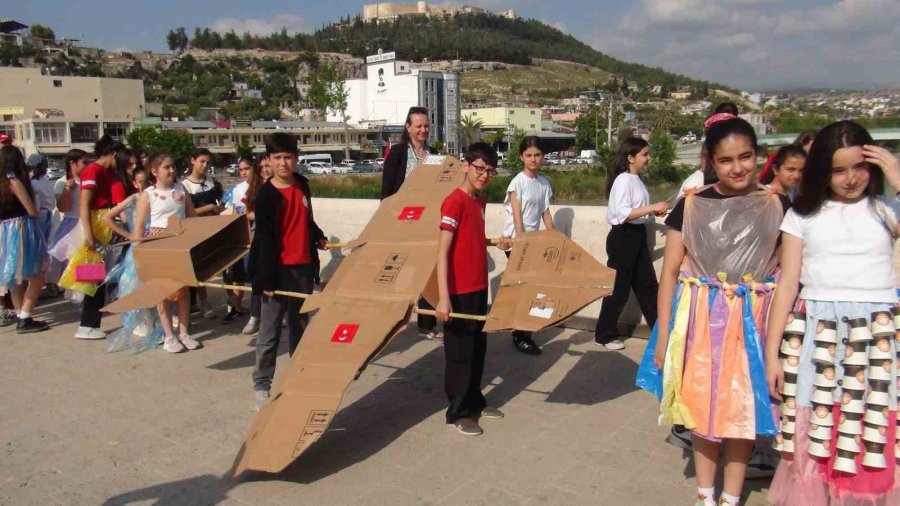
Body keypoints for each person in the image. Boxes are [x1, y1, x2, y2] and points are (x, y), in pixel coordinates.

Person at [636, 115, 791, 506]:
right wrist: (667, 339)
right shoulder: (691, 206)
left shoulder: (778, 206)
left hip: (754, 324)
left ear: (758, 156)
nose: (737, 167)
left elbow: (789, 274)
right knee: (701, 410)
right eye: (726, 160)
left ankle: (731, 497)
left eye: (746, 157)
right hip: (700, 322)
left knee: (742, 412)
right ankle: (705, 495)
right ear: (711, 160)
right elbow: (669, 275)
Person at [767, 121, 900, 505]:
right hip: (817, 339)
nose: (850, 178)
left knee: (869, 434)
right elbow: (788, 285)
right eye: (838, 170)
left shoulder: (886, 209)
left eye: (859, 167)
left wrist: (896, 176)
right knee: (817, 436)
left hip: (875, 342)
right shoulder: (801, 216)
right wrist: (773, 353)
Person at [435, 142, 511, 436]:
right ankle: (458, 412)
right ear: (465, 166)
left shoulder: (478, 201)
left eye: (490, 171)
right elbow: (442, 251)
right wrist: (443, 297)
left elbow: (472, 240)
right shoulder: (454, 201)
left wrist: (495, 242)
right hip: (458, 291)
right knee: (460, 352)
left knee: (478, 349)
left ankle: (475, 401)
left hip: (478, 286)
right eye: (480, 169)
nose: (484, 175)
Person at [249, 133, 326, 410]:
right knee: (269, 332)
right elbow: (265, 240)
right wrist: (267, 278)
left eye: (288, 157)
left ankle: (298, 377)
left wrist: (317, 235)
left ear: (296, 158)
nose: (283, 163)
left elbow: (306, 220)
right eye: (277, 157)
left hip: (303, 269)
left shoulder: (302, 185)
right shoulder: (266, 196)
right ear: (268, 160)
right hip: (276, 272)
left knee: (300, 327)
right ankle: (262, 384)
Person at [595, 138, 667, 350]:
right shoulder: (623, 180)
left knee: (647, 286)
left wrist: (653, 210)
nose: (648, 159)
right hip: (623, 237)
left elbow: (638, 210)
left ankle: (660, 330)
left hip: (637, 235)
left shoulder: (637, 180)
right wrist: (652, 207)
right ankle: (604, 334)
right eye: (644, 154)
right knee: (618, 288)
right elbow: (623, 214)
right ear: (630, 157)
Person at [128, 153, 200, 353]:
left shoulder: (181, 189)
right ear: (154, 171)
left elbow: (192, 217)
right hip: (159, 245)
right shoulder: (148, 195)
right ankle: (169, 335)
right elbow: (139, 227)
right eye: (166, 167)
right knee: (163, 292)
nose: (171, 171)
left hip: (180, 244)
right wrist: (140, 251)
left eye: (173, 167)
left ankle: (184, 332)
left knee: (183, 290)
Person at [381, 107, 442, 340]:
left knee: (426, 275)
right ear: (408, 127)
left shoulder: (435, 155)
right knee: (397, 274)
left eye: (426, 125)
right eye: (418, 126)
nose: (423, 130)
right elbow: (386, 192)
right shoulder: (397, 154)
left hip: (427, 226)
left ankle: (426, 324)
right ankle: (392, 320)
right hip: (400, 227)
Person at [501, 136, 554, 355]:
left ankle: (525, 332)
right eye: (529, 155)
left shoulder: (543, 183)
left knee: (533, 290)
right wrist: (522, 242)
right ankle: (519, 335)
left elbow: (545, 212)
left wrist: (554, 238)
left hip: (534, 243)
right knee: (525, 291)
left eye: (537, 155)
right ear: (522, 157)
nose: (533, 159)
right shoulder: (517, 183)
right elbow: (517, 215)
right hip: (517, 243)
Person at [71, 136, 124, 340]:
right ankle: (87, 324)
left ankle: (90, 322)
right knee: (93, 277)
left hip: (101, 224)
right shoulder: (93, 171)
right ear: (114, 154)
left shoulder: (104, 172)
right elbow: (84, 204)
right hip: (95, 226)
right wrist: (89, 234)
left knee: (97, 277)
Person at [0, 145, 49, 333]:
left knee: (14, 277)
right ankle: (25, 316)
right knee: (37, 275)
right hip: (21, 229)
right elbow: (31, 210)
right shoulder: (14, 181)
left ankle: (22, 314)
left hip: (4, 231)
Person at [181, 148, 224, 319]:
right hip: (192, 232)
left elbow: (220, 203)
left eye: (208, 162)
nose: (205, 165)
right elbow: (185, 212)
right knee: (193, 268)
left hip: (211, 230)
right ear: (193, 161)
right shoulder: (183, 186)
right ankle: (196, 302)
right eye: (202, 161)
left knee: (205, 268)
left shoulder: (212, 183)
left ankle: (202, 301)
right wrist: (207, 208)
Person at [47, 149, 89, 298]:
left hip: (88, 222)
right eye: (84, 162)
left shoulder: (88, 179)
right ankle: (76, 295)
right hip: (71, 224)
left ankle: (86, 295)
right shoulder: (62, 182)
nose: (87, 165)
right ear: (73, 163)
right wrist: (67, 188)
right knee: (72, 263)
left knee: (87, 261)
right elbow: (63, 207)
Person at [222, 156, 254, 323]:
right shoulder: (237, 189)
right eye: (240, 170)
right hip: (241, 233)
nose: (243, 173)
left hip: (256, 233)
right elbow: (236, 211)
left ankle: (258, 312)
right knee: (237, 272)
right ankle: (236, 307)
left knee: (255, 273)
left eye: (246, 169)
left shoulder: (261, 186)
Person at [242, 153, 268, 335]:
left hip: (279, 237)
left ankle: (278, 314)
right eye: (262, 167)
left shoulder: (282, 186)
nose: (265, 169)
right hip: (259, 236)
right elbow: (247, 213)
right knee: (257, 278)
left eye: (268, 165)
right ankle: (255, 316)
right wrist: (264, 215)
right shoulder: (255, 188)